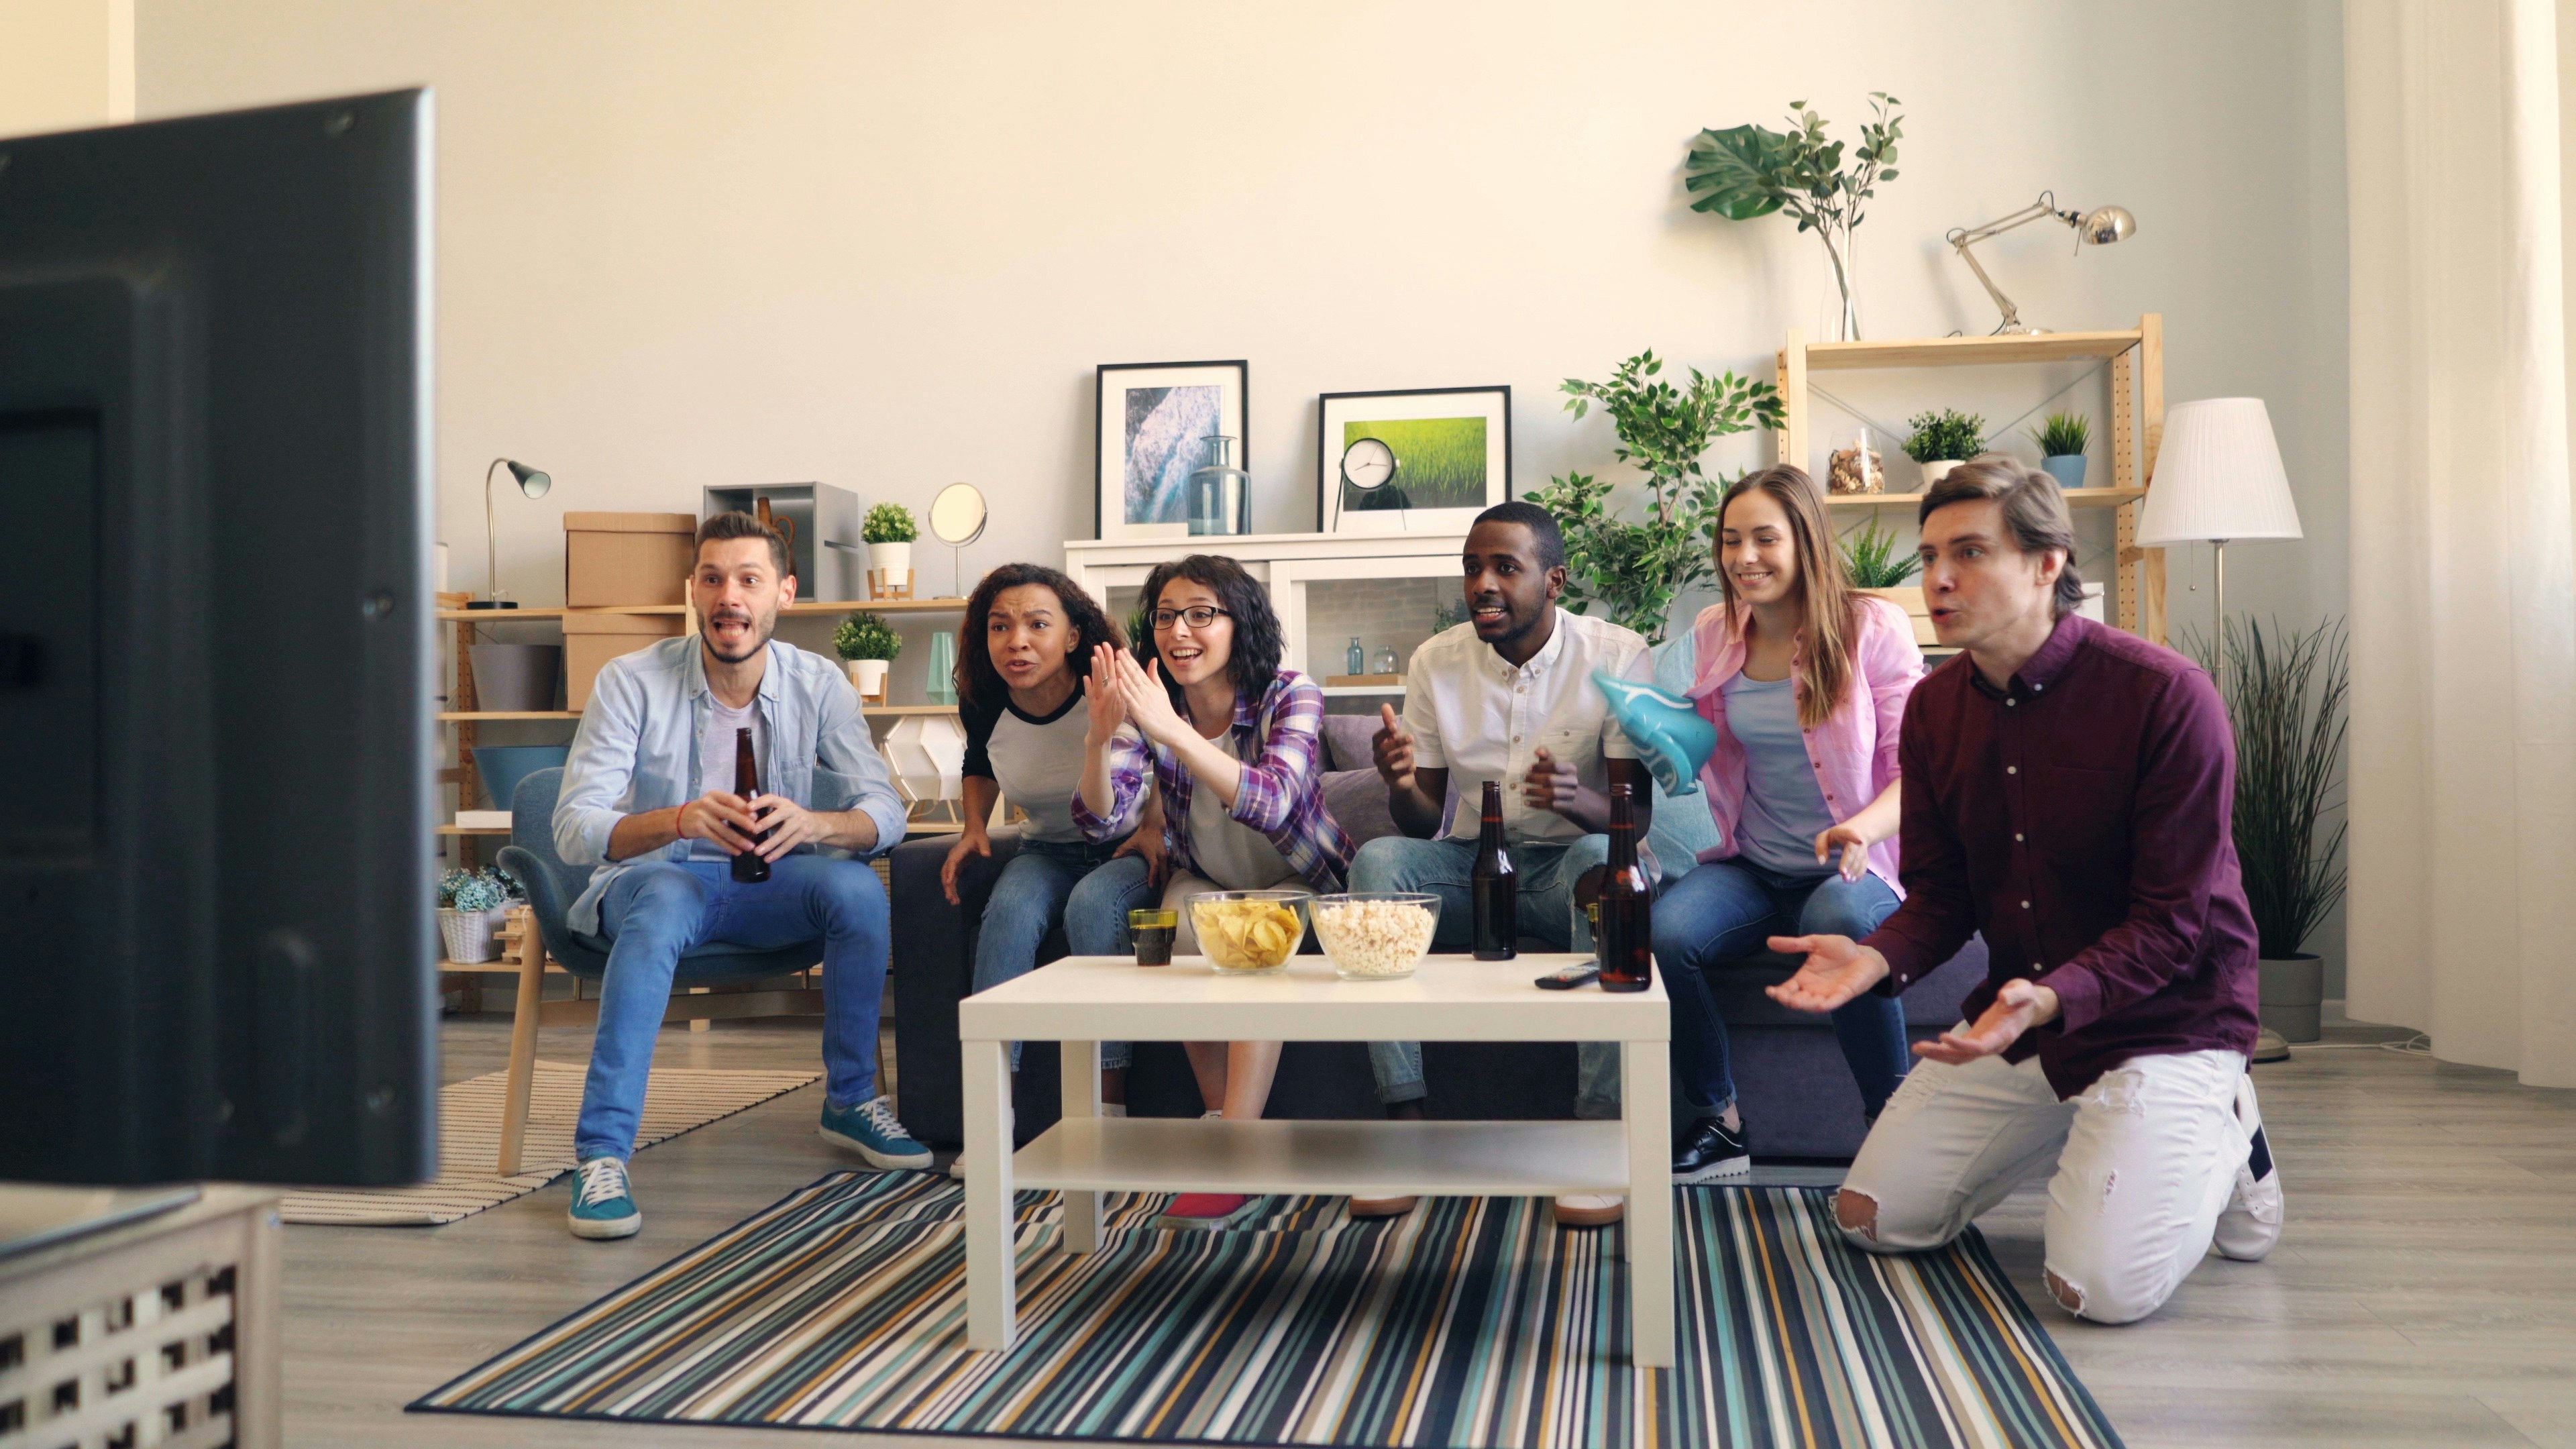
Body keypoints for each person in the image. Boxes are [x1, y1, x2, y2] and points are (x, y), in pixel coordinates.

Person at [1767, 456, 2284, 1324]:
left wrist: (2047, 998)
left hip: (2170, 1020)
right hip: (2026, 1023)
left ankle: (2226, 1122)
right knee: (1872, 1219)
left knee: (2097, 1291)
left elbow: (2173, 923)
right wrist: (1874, 959)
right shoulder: (1935, 711)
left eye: (1969, 553)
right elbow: (1940, 897)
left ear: (2049, 563)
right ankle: (2102, 1129)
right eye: (1929, 556)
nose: (1937, 578)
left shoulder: (2167, 697)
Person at [552, 511, 922, 1241]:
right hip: (658, 881)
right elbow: (572, 827)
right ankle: (601, 1154)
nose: (730, 597)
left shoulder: (819, 684)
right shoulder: (629, 681)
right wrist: (678, 819)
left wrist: (815, 825)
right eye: (714, 579)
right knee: (663, 900)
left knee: (854, 890)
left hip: (769, 885)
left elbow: (885, 810)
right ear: (693, 589)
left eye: (750, 580)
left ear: (784, 592)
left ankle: (850, 1100)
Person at [1352, 500, 1655, 1228]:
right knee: (1378, 863)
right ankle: (1406, 1126)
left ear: (1554, 581)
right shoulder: (1436, 661)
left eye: (1504, 568)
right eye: (1472, 568)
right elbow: (1421, 819)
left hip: (1566, 870)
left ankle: (1597, 1135)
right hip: (1471, 867)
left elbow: (1635, 821)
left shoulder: (1617, 656)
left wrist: (1578, 798)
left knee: (1601, 863)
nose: (1482, 584)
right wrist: (1400, 784)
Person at [1066, 554, 1354, 1230]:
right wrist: (1099, 740)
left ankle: (1232, 1153)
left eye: (1201, 614)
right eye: (1166, 616)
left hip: (1299, 878)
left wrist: (1170, 730)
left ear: (1240, 623)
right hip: (1209, 878)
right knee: (1181, 937)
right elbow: (1102, 819)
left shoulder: (1290, 693)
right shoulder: (1151, 704)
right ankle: (1225, 1126)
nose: (1179, 632)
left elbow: (1273, 802)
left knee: (1251, 941)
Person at [1654, 465, 1924, 1183]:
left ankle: (1892, 1134)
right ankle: (1720, 1121)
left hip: (1857, 870)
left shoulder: (1873, 628)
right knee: (1668, 932)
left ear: (1805, 541)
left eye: (1765, 539)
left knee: (1837, 916)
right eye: (1731, 539)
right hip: (1756, 865)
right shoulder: (1716, 633)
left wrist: (1862, 830)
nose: (1744, 557)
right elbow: (1713, 749)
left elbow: (1917, 773)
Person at [942, 563, 1152, 1116]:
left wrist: (1157, 828)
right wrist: (973, 827)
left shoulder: (1112, 686)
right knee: (1009, 910)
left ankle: (1108, 1112)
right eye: (1000, 627)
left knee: (1093, 906)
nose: (1017, 641)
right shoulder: (986, 701)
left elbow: (1171, 754)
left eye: (1037, 624)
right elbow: (978, 763)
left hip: (1126, 849)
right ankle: (992, 1109)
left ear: (1073, 636)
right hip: (1045, 850)